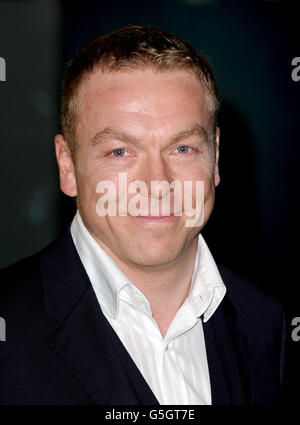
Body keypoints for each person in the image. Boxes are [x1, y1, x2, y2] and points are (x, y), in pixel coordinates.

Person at [0, 25, 287, 405]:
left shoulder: (265, 323)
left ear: (215, 156)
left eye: (183, 148)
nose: (157, 183)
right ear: (67, 166)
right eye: (121, 152)